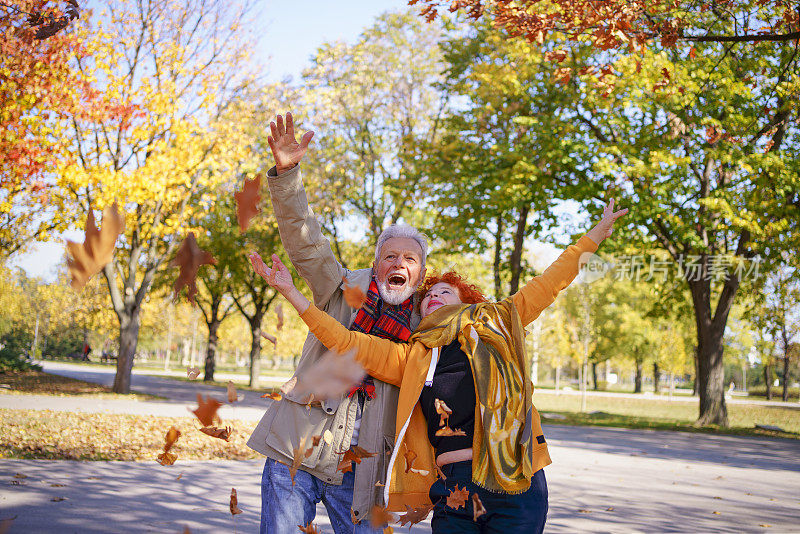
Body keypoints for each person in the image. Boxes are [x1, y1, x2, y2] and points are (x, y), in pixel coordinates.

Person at [250, 199, 627, 533]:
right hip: (450, 485)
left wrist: (592, 238)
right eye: (428, 294)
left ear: (466, 302)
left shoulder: (498, 324)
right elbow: (347, 341)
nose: (432, 297)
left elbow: (550, 283)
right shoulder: (413, 355)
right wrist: (293, 295)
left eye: (443, 292)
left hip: (512, 476)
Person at [246, 112, 429, 533]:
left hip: (365, 472)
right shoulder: (343, 288)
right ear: (376, 263)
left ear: (420, 273)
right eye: (390, 256)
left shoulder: (427, 324)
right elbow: (305, 239)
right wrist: (287, 174)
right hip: (298, 450)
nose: (398, 263)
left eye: (409, 259)